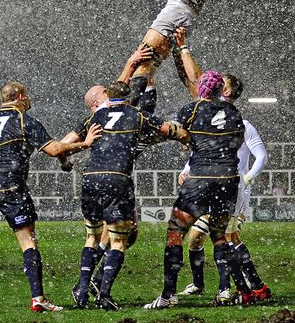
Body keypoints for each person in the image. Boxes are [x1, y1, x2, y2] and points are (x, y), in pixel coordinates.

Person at [0, 82, 102, 312]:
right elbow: (54, 150)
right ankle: (38, 299)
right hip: (11, 187)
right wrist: (86, 143)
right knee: (28, 241)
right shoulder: (25, 121)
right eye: (27, 97)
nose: (28, 100)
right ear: (20, 97)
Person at [66, 80, 190, 310]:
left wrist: (67, 158)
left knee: (91, 238)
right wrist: (184, 136)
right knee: (120, 240)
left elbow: (65, 143)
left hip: (91, 177)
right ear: (129, 95)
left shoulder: (96, 118)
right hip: (117, 178)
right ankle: (103, 294)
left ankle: (82, 290)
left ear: (108, 96)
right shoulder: (137, 114)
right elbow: (167, 129)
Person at [173, 27, 272, 303]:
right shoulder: (217, 116)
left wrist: (248, 178)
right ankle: (250, 287)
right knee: (225, 237)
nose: (212, 84)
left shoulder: (237, 120)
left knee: (225, 237)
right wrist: (188, 168)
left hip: (231, 185)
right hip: (216, 183)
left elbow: (260, 155)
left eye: (219, 83)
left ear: (225, 91)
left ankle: (238, 289)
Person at [144, 70, 255, 309]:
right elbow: (236, 143)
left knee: (175, 233)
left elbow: (173, 131)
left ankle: (168, 295)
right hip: (227, 179)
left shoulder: (191, 109)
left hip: (200, 177)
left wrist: (187, 140)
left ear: (203, 89)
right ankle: (225, 291)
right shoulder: (233, 112)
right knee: (219, 235)